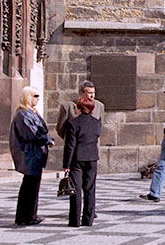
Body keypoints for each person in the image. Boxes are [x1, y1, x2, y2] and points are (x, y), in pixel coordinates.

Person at [10, 86, 54, 226]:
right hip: (29, 154)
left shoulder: (33, 113)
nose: (37, 99)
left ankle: (31, 214)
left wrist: (47, 138)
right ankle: (24, 216)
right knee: (29, 185)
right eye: (35, 96)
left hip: (37, 154)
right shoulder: (22, 114)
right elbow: (31, 133)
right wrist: (47, 140)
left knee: (34, 185)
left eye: (38, 96)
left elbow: (43, 130)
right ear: (27, 97)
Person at [63, 97, 101, 227]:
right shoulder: (97, 123)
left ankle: (75, 220)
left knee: (76, 190)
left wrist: (66, 165)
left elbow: (70, 146)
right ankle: (88, 219)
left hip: (77, 159)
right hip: (92, 157)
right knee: (90, 189)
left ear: (78, 108)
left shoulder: (73, 123)